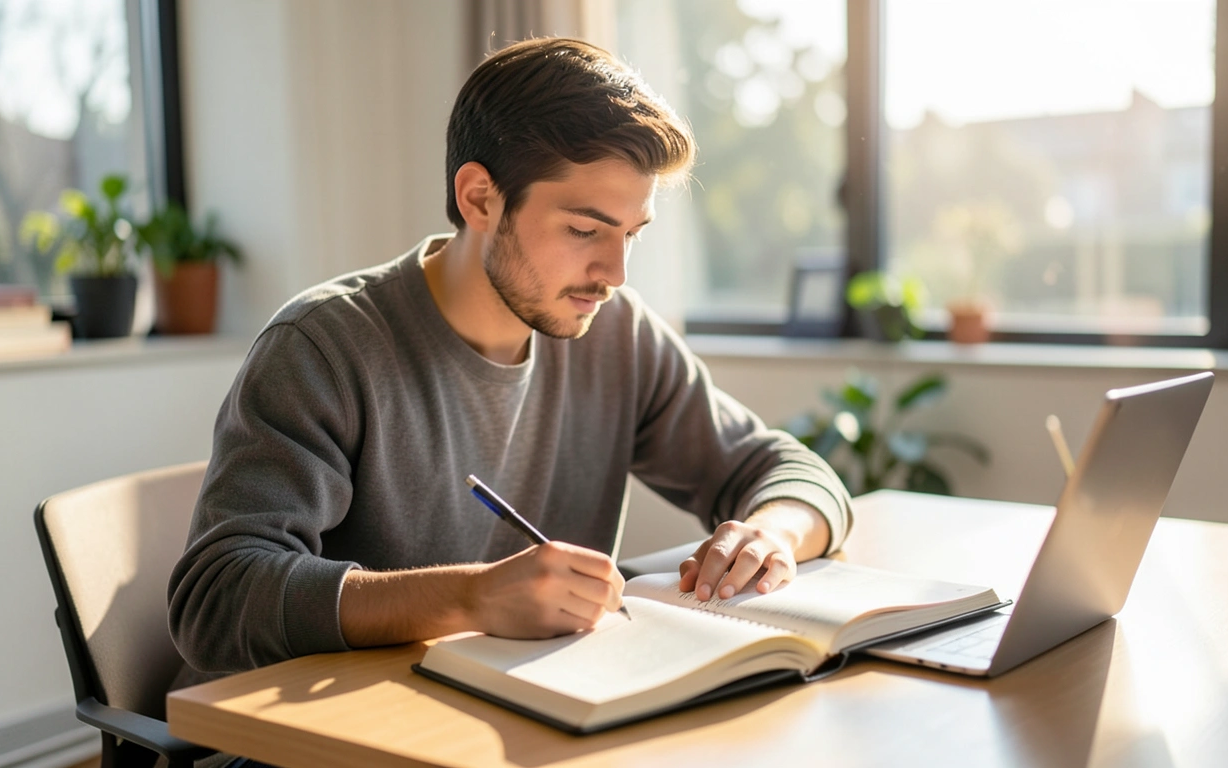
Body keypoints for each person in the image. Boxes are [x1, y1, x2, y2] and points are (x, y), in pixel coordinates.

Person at [168, 37, 852, 679]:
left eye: (632, 234)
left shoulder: (616, 333)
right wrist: (470, 598)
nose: (614, 272)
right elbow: (217, 599)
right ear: (480, 198)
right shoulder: (324, 348)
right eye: (585, 229)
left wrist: (770, 535)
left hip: (530, 713)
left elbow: (786, 470)